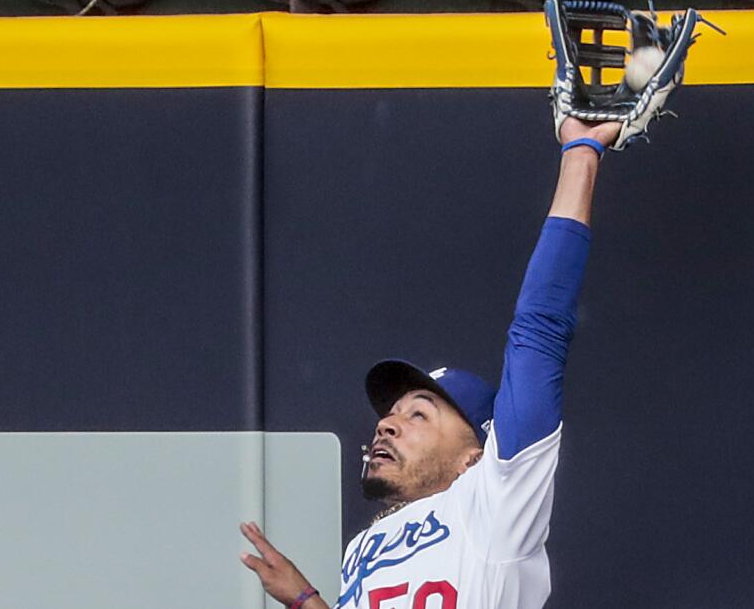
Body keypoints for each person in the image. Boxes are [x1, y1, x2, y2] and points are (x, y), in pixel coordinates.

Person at [239, 116, 621, 609]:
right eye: (393, 413)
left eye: (419, 413)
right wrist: (307, 600)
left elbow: (540, 330)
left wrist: (581, 154)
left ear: (474, 458)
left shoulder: (492, 505)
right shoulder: (361, 548)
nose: (387, 425)